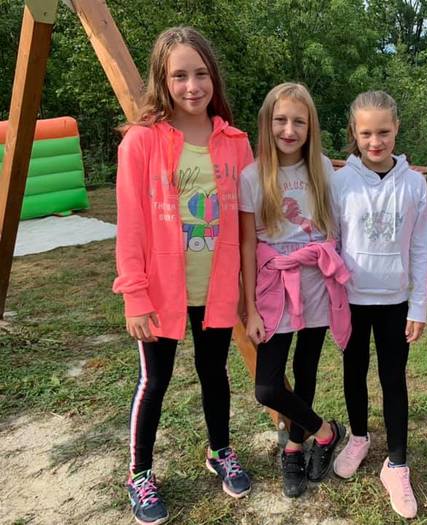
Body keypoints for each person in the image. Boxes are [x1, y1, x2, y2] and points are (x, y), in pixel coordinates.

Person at [112, 27, 254, 525]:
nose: (192, 86)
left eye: (200, 74)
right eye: (179, 76)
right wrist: (134, 295)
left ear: (213, 77)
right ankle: (140, 474)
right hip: (161, 290)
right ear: (162, 80)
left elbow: (247, 225)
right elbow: (131, 223)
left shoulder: (236, 143)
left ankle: (220, 450)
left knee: (215, 373)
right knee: (155, 381)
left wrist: (248, 291)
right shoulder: (140, 142)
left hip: (215, 288)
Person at [239, 82, 350, 498]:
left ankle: (294, 447)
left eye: (299, 122)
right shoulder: (252, 176)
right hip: (275, 286)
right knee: (267, 386)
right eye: (281, 120)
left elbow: (336, 223)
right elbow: (248, 244)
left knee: (306, 369)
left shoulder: (321, 168)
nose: (289, 130)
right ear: (267, 123)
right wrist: (250, 307)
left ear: (310, 126)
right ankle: (325, 431)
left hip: (316, 280)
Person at [330, 91, 427, 519]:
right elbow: (332, 244)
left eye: (384, 132)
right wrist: (333, 300)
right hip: (351, 301)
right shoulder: (340, 182)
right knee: (353, 372)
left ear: (397, 129)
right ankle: (358, 437)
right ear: (354, 132)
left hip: (395, 304)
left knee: (393, 379)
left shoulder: (414, 184)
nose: (376, 141)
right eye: (367, 133)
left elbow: (421, 248)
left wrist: (418, 306)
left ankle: (397, 463)